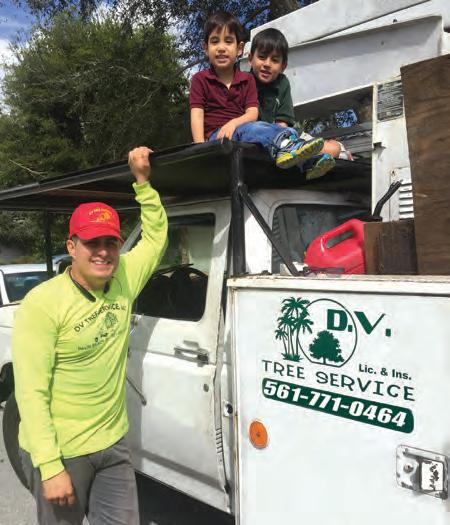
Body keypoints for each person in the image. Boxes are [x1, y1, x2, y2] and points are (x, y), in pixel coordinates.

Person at [12, 146, 168, 525]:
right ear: (72, 247)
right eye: (91, 242)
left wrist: (143, 182)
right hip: (63, 451)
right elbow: (30, 392)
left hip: (112, 444)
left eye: (110, 242)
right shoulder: (42, 304)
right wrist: (50, 466)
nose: (102, 252)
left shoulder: (125, 276)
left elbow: (156, 238)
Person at [189, 11, 324, 169]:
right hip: (217, 138)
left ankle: (306, 161)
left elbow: (252, 113)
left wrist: (233, 124)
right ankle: (288, 146)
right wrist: (200, 150)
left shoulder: (247, 80)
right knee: (254, 128)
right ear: (206, 48)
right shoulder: (200, 79)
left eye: (228, 41)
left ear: (239, 49)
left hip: (241, 133)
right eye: (215, 41)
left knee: (268, 128)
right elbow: (197, 116)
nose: (221, 48)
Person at [248, 28, 352, 180]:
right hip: (265, 136)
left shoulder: (282, 83)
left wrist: (286, 141)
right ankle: (310, 162)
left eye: (275, 60)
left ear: (283, 66)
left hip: (286, 135)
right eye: (262, 57)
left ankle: (333, 155)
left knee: (334, 149)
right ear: (250, 58)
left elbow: (283, 123)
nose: (267, 64)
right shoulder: (244, 82)